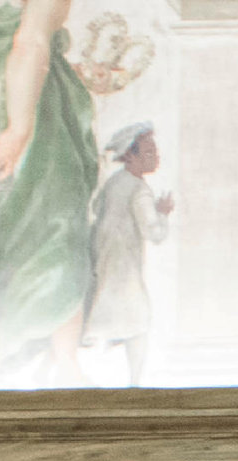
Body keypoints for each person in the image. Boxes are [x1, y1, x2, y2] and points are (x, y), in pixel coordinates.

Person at [79, 122, 172, 386]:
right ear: (130, 155)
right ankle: (134, 382)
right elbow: (153, 232)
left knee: (106, 318)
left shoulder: (114, 182)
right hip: (125, 267)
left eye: (155, 151)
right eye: (148, 152)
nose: (155, 157)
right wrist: (163, 214)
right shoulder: (140, 190)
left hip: (106, 260)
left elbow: (96, 209)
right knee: (137, 321)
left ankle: (116, 379)